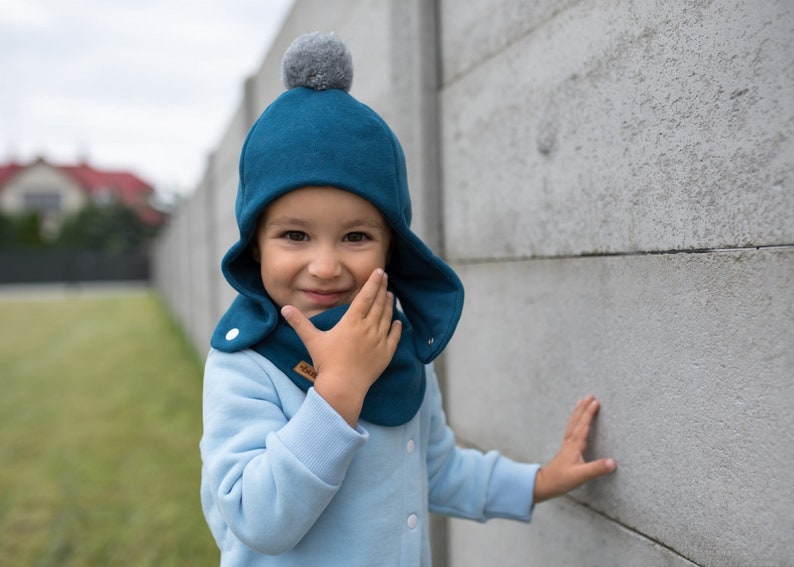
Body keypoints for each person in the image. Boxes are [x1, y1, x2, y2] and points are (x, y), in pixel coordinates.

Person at [200, 32, 616, 566]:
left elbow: (437, 471)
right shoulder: (246, 365)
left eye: (355, 237)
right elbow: (255, 518)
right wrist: (337, 393)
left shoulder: (392, 343)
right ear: (254, 244)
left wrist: (539, 480)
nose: (325, 266)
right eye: (295, 236)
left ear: (393, 246)